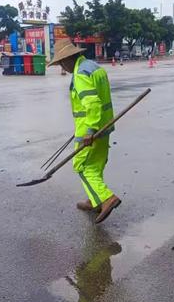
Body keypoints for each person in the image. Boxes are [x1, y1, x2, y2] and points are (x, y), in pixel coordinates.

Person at [48, 38, 121, 224]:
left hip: (91, 130)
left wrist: (89, 130)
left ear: (67, 60)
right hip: (104, 126)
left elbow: (93, 104)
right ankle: (94, 199)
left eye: (61, 64)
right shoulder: (94, 67)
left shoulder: (80, 75)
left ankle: (105, 198)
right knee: (95, 165)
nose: (62, 68)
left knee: (81, 166)